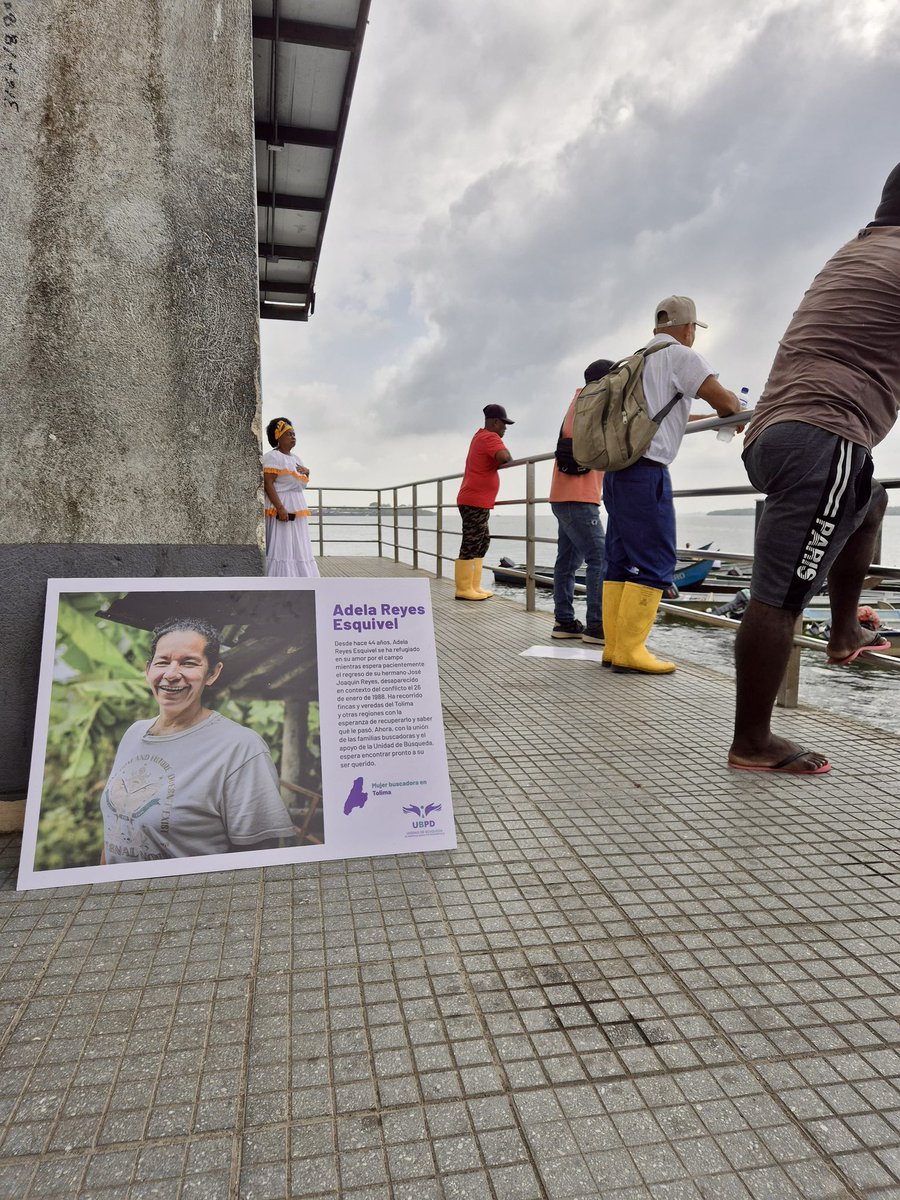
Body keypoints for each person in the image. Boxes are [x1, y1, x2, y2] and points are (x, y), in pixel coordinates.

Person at [729, 163, 900, 775]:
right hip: (823, 439)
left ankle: (844, 629)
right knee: (778, 598)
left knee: (870, 498)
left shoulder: (855, 252)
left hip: (775, 433)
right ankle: (752, 742)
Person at [603, 296, 741, 673]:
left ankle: (613, 648)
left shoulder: (637, 359)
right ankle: (631, 651)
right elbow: (727, 403)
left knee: (619, 560)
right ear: (688, 328)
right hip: (647, 472)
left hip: (616, 472)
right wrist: (733, 411)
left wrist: (703, 418)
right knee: (658, 562)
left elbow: (660, 413)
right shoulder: (681, 355)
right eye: (694, 329)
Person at [100, 617, 296, 863]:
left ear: (212, 673)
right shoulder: (134, 734)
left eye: (189, 663)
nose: (172, 674)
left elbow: (260, 857)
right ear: (148, 670)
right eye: (162, 662)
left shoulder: (241, 747)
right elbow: (113, 834)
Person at [550, 359, 613, 642]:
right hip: (580, 497)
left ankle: (564, 622)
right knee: (600, 557)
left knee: (567, 562)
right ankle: (596, 626)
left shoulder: (577, 401)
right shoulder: (595, 403)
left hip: (562, 495)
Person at [455, 404, 513, 601]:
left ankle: (473, 585)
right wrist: (503, 450)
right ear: (495, 422)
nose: (505, 428)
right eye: (504, 424)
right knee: (471, 543)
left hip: (477, 500)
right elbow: (505, 458)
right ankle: (463, 589)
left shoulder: (479, 436)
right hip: (474, 500)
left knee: (482, 541)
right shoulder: (490, 437)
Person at [263, 417, 320, 577]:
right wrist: (280, 508)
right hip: (282, 506)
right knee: (283, 545)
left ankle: (300, 577)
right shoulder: (273, 457)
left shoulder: (296, 459)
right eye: (289, 434)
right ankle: (281, 578)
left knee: (298, 545)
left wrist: (307, 472)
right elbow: (268, 484)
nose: (293, 437)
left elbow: (300, 485)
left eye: (294, 434)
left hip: (297, 507)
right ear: (278, 437)